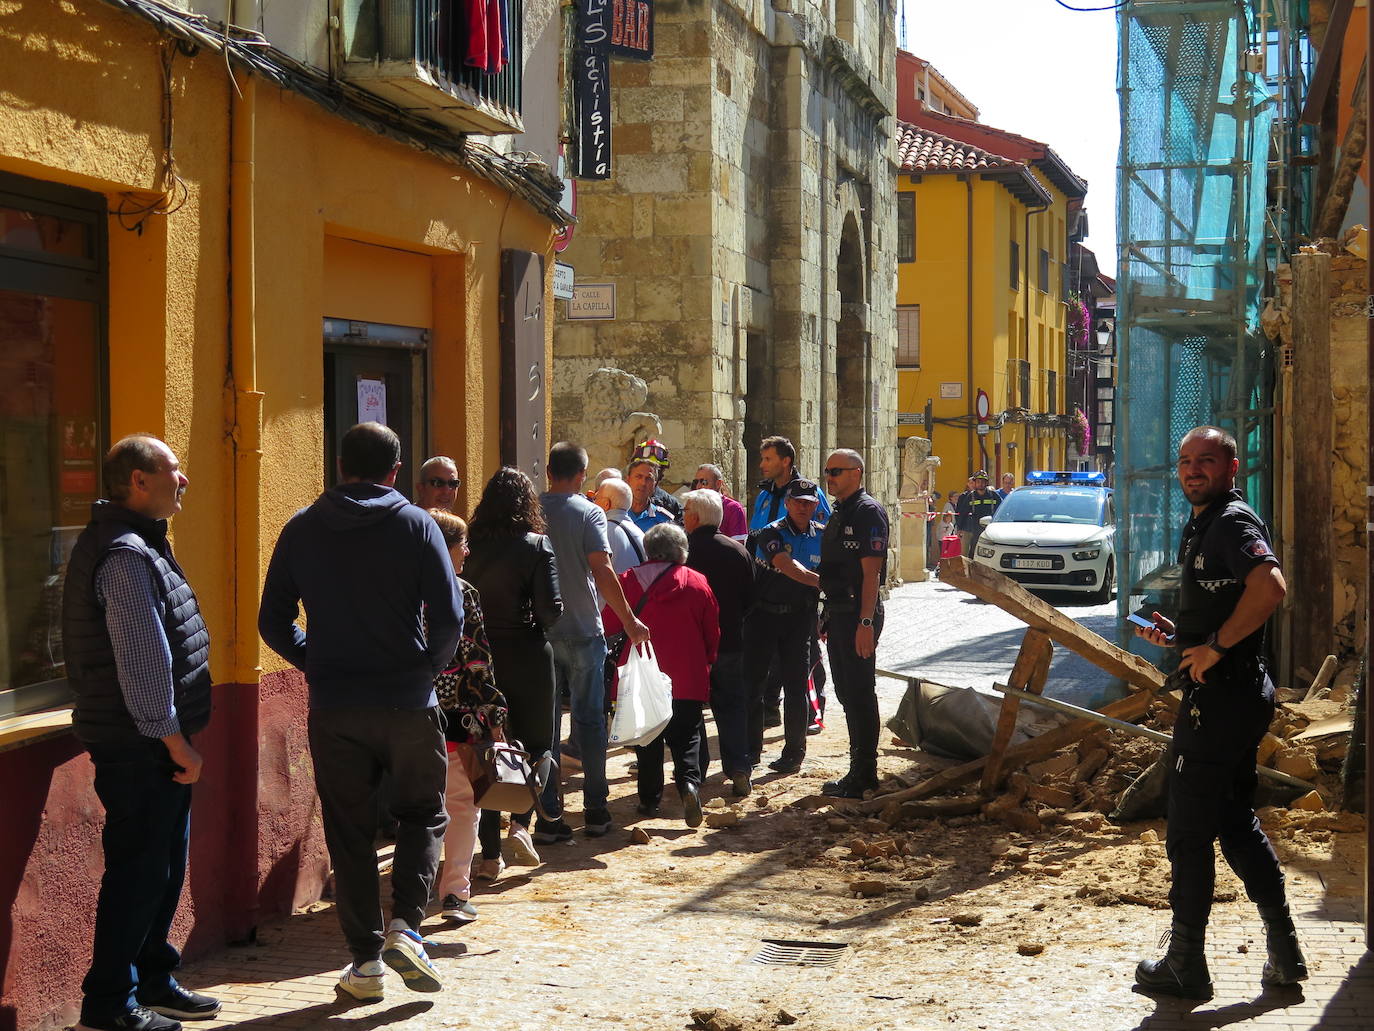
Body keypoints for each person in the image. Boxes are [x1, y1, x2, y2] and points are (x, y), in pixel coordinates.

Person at [258, 422, 462, 1001]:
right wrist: (426, 667)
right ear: (396, 472)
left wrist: (315, 659)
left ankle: (366, 962)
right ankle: (407, 927)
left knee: (347, 832)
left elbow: (272, 620)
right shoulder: (418, 525)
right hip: (407, 699)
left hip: (335, 704)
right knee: (422, 813)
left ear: (339, 465)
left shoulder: (302, 528)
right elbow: (449, 616)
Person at [1132, 426, 1306, 1000]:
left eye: (1205, 462)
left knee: (1187, 826)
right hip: (1230, 694)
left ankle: (1185, 962)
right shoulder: (1206, 521)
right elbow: (1232, 599)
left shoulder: (1231, 521)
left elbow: (1271, 587)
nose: (1192, 471)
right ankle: (1285, 954)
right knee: (1233, 821)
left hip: (1224, 698)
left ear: (1231, 469)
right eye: (1184, 461)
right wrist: (1185, 637)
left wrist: (1217, 648)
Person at [63, 435, 220, 1031]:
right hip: (140, 745)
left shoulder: (139, 545)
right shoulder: (125, 556)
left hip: (150, 742)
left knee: (162, 866)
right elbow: (143, 662)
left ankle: (152, 978)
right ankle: (109, 1005)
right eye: (172, 470)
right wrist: (174, 741)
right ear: (137, 481)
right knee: (138, 871)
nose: (183, 480)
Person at [540, 442, 649, 839]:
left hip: (544, 631)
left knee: (547, 725)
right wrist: (630, 619)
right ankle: (596, 809)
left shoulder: (533, 510)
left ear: (549, 470)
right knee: (589, 721)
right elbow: (602, 570)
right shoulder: (589, 512)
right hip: (585, 628)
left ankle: (548, 815)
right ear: (582, 475)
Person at [463, 467, 564, 875]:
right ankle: (522, 824)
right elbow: (550, 612)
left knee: (489, 748)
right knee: (539, 744)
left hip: (481, 657)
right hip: (528, 653)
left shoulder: (470, 545)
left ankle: (489, 856)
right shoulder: (537, 546)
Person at [604, 524, 719, 826]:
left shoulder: (628, 581)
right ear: (681, 550)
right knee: (687, 735)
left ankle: (648, 800)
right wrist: (708, 660)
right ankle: (689, 785)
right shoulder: (697, 582)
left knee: (647, 738)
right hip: (687, 673)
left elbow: (609, 624)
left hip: (643, 674)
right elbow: (712, 630)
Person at [426, 510, 506, 925]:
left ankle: (414, 891)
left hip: (411, 712)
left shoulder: (399, 590)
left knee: (418, 806)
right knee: (463, 805)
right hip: (462, 717)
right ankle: (455, 892)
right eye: (462, 544)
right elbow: (478, 660)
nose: (467, 552)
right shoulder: (462, 592)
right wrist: (495, 717)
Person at [817, 449, 889, 799]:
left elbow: (871, 572)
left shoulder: (867, 511)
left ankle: (865, 773)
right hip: (839, 612)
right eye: (827, 471)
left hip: (858, 614)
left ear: (857, 474)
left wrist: (865, 622)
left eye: (837, 471)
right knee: (846, 692)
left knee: (860, 692)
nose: (829, 476)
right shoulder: (840, 510)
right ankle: (857, 768)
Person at [743, 479, 824, 777]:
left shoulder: (824, 536)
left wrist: (826, 611)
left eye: (809, 502)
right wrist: (825, 582)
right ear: (788, 503)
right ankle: (750, 753)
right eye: (798, 502)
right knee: (754, 686)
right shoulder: (771, 532)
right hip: (762, 617)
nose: (803, 507)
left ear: (816, 506)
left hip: (799, 620)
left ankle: (793, 754)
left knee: (795, 687)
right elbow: (787, 566)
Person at [682, 488, 755, 796]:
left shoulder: (683, 551)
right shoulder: (737, 551)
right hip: (730, 641)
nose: (682, 517)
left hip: (693, 645)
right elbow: (751, 598)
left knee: (691, 708)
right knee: (732, 707)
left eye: (686, 512)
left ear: (696, 517)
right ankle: (739, 767)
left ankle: (694, 773)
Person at [750, 435, 831, 531]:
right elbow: (754, 535)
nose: (762, 465)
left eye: (768, 459)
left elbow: (824, 535)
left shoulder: (812, 495)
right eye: (762, 459)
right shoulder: (764, 496)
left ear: (785, 461)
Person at [592, 476, 647, 573]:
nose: (593, 502)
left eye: (596, 498)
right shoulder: (640, 533)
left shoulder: (602, 531)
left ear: (606, 504)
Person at [629, 438, 684, 522]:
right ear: (629, 477)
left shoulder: (671, 506)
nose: (643, 482)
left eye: (649, 476)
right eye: (639, 476)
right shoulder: (617, 499)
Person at [691, 464, 749, 541]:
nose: (698, 486)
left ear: (718, 484)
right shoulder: (693, 507)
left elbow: (738, 545)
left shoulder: (733, 508)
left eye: (703, 482)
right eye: (696, 482)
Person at [954, 470, 999, 554]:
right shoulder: (971, 497)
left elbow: (1001, 510)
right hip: (974, 529)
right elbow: (963, 513)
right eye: (978, 481)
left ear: (986, 483)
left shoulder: (993, 495)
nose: (980, 484)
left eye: (983, 481)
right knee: (973, 553)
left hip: (990, 529)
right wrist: (959, 528)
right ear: (974, 483)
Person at [626, 458, 675, 535]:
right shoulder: (614, 513)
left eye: (649, 478)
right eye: (638, 477)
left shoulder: (664, 521)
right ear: (628, 480)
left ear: (654, 484)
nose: (643, 483)